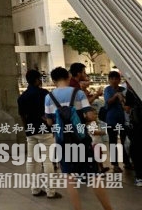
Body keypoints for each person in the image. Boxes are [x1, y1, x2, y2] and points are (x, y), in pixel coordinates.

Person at [45, 66, 114, 210]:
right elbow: (90, 116)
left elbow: (50, 122)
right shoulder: (78, 93)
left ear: (53, 80)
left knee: (69, 177)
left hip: (62, 141)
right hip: (81, 139)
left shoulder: (48, 97)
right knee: (93, 175)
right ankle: (108, 208)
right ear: (68, 77)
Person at [17, 69, 60, 199]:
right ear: (37, 80)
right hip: (45, 129)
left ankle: (35, 189)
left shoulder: (22, 97)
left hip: (30, 130)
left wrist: (27, 128)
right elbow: (52, 111)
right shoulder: (45, 94)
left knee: (32, 160)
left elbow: (22, 115)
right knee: (47, 160)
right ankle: (51, 192)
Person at [104, 70, 131, 172]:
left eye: (116, 78)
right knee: (113, 142)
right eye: (112, 79)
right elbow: (108, 102)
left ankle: (127, 162)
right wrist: (116, 96)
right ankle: (115, 165)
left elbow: (127, 103)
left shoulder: (123, 89)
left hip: (123, 120)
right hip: (111, 120)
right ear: (109, 80)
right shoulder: (107, 90)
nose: (114, 81)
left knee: (125, 141)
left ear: (119, 80)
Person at [124, 81, 142, 186]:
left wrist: (122, 100)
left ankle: (139, 177)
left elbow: (127, 109)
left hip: (137, 126)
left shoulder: (131, 92)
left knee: (136, 150)